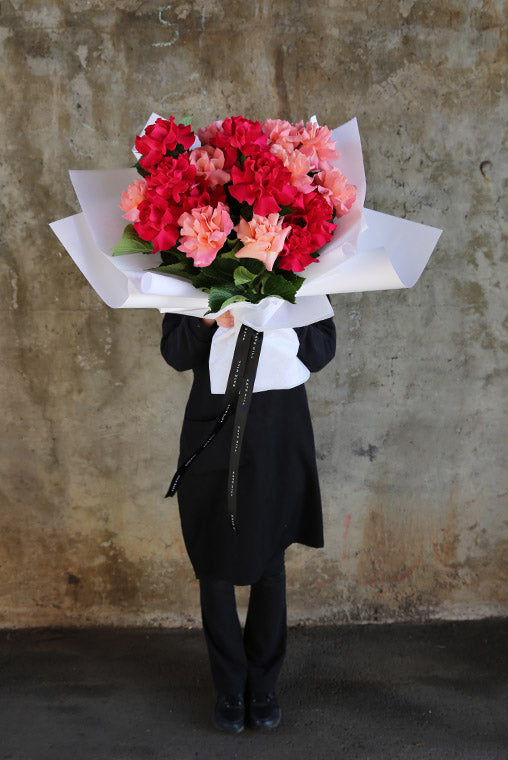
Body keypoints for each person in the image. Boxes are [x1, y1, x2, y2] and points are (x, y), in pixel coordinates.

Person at [160, 308, 336, 733]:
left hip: (278, 427)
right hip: (213, 426)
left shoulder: (302, 266)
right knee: (214, 561)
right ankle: (229, 687)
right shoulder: (193, 262)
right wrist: (206, 319)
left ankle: (263, 684)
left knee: (269, 559)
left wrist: (285, 313)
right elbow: (176, 353)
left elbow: (322, 350)